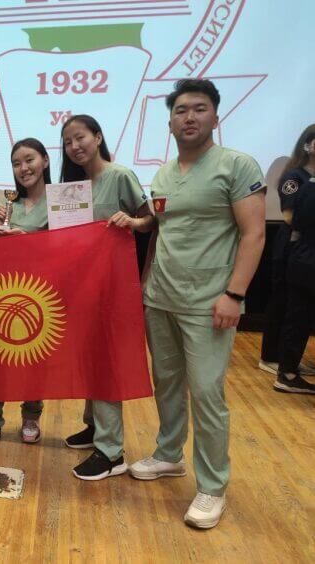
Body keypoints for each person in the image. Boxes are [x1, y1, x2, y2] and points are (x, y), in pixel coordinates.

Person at [130, 79, 266, 529]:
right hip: (161, 296)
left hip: (210, 302)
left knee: (207, 393)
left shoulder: (236, 165)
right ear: (169, 122)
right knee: (167, 383)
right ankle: (169, 454)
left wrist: (234, 294)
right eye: (181, 110)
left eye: (199, 109)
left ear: (215, 116)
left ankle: (212, 486)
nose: (189, 117)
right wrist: (142, 266)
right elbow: (163, 226)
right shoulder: (163, 174)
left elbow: (253, 234)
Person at [56, 115, 155, 480]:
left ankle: (112, 452)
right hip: (81, 287)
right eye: (68, 142)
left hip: (112, 287)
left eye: (80, 137)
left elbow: (150, 220)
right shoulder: (71, 188)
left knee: (106, 361)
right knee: (88, 357)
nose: (74, 146)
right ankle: (95, 426)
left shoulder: (120, 175)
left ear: (98, 137)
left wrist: (132, 222)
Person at [0, 138, 51, 450]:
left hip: (42, 292)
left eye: (29, 160)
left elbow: (66, 243)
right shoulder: (6, 206)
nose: (23, 168)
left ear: (45, 161)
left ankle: (31, 417)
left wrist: (28, 237)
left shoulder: (60, 201)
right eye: (16, 163)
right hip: (4, 291)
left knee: (35, 357)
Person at [259, 125, 315, 381]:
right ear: (307, 145)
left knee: (297, 308)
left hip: (306, 247)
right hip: (291, 246)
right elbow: (289, 216)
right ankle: (270, 357)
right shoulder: (294, 176)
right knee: (282, 301)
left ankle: (287, 358)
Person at [274, 142, 315, 394]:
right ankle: (287, 372)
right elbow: (294, 220)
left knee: (299, 317)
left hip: (304, 257)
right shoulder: (303, 182)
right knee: (297, 316)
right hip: (305, 259)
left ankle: (288, 370)